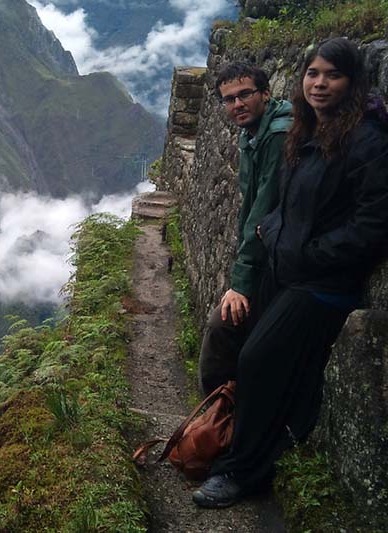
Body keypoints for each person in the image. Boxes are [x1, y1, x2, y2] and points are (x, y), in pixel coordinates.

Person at [193, 37, 388, 508]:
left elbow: (371, 226)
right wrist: (272, 230)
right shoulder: (308, 130)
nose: (320, 84)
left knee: (259, 359)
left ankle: (243, 472)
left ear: (353, 81)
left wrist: (309, 254)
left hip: (324, 284)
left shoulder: (367, 141)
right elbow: (282, 200)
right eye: (313, 74)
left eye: (332, 75)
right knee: (241, 339)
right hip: (290, 265)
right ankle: (233, 430)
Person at [199, 63, 292, 396]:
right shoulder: (253, 132)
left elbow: (262, 210)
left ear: (265, 93)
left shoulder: (278, 136)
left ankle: (213, 421)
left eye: (245, 95)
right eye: (228, 99)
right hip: (269, 251)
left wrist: (240, 282)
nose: (236, 104)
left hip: (283, 259)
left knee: (221, 327)